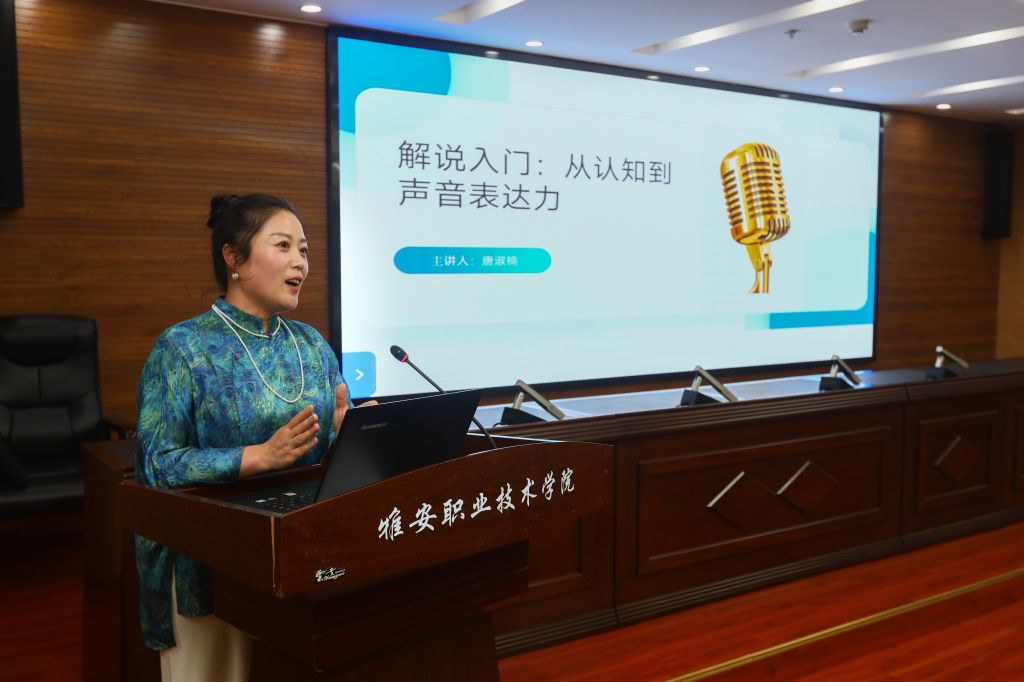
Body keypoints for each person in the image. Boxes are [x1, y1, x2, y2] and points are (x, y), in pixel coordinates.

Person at [134, 193, 353, 681]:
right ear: (233, 257)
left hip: (303, 553)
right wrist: (258, 457)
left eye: (304, 249)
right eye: (284, 246)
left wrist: (347, 435)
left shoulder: (311, 345)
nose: (300, 262)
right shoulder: (182, 346)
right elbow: (156, 465)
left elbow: (331, 446)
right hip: (210, 557)